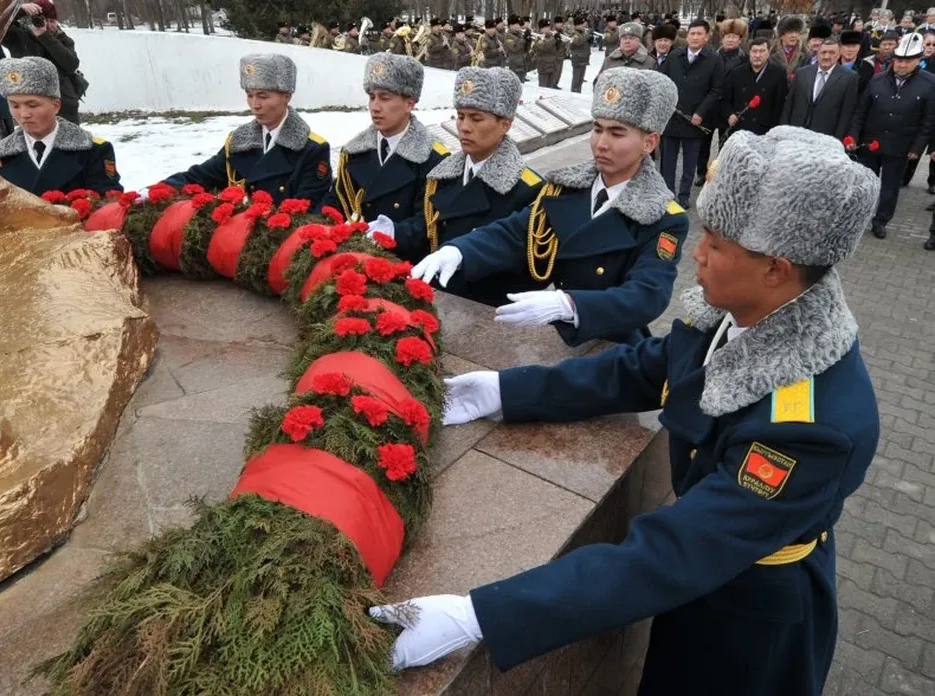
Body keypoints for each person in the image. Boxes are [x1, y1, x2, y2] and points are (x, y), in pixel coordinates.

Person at [372, 125, 881, 696]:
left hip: (750, 620)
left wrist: (480, 615)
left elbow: (674, 552)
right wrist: (499, 390)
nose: (699, 254)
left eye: (715, 242)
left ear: (776, 269)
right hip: (697, 584)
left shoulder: (810, 425)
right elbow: (635, 370)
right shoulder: (734, 315)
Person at [411, 68, 689, 347]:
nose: (601, 144)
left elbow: (647, 294)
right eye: (597, 129)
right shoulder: (564, 189)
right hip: (557, 338)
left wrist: (569, 305)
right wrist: (460, 250)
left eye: (617, 133)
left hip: (612, 344)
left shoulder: (662, 216)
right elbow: (514, 233)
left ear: (649, 142)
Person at [389, 67, 543, 304]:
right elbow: (427, 231)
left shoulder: (527, 188)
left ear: (505, 125)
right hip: (436, 298)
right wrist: (392, 232)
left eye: (476, 118)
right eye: (461, 116)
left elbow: (522, 267)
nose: (464, 127)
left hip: (481, 309)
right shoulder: (443, 175)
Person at [160, 55, 331, 205]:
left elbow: (307, 211)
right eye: (250, 95)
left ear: (287, 97)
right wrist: (155, 191)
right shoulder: (239, 141)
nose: (255, 105)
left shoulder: (311, 149)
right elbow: (201, 177)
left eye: (263, 96)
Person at [321, 54, 448, 240]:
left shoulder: (432, 158)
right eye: (372, 97)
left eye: (385, 98)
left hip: (400, 261)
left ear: (409, 104)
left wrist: (393, 233)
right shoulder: (354, 152)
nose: (375, 107)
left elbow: (428, 225)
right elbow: (336, 203)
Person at [0, 56, 121, 196]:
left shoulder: (93, 151)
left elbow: (108, 202)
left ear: (56, 106)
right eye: (14, 105)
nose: (23, 114)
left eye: (32, 105)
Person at [847, 33, 935, 239]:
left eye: (908, 61)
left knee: (890, 186)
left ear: (918, 61)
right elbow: (861, 112)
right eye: (899, 60)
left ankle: (881, 220)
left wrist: (917, 147)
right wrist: (853, 135)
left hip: (900, 145)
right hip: (871, 142)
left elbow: (928, 120)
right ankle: (857, 216)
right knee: (865, 182)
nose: (902, 65)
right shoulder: (877, 80)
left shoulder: (930, 84)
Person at [658, 19, 723, 209]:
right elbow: (664, 82)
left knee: (689, 162)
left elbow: (716, 90)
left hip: (695, 121)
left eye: (699, 34)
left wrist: (700, 112)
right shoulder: (674, 56)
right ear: (687, 36)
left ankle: (684, 196)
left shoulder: (713, 60)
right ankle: (667, 193)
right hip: (672, 118)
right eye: (692, 33)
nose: (695, 37)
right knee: (667, 162)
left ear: (707, 36)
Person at [3, 1, 83, 124]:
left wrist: (44, 36)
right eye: (44, 20)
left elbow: (71, 64)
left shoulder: (63, 39)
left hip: (64, 106)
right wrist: (20, 10)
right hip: (31, 107)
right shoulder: (19, 37)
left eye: (52, 21)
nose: (49, 25)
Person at [696, 18, 747, 185]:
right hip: (710, 106)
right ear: (722, 38)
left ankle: (721, 173)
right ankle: (701, 172)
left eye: (735, 36)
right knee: (703, 142)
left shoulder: (744, 59)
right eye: (728, 36)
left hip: (729, 107)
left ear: (740, 39)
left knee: (725, 143)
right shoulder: (712, 56)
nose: (731, 40)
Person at [781, 39, 859, 142]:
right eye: (823, 52)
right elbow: (789, 105)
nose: (826, 56)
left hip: (825, 138)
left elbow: (846, 113)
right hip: (795, 134)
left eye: (831, 53)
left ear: (839, 54)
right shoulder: (802, 73)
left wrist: (837, 141)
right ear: (817, 54)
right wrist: (783, 131)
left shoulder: (849, 78)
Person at [720, 37, 789, 137]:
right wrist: (729, 114)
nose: (757, 55)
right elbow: (724, 100)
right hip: (740, 128)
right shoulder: (736, 73)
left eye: (762, 51)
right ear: (749, 53)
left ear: (768, 53)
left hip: (765, 131)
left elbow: (780, 105)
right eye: (754, 51)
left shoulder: (778, 74)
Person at [903, 30, 935, 191]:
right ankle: (903, 176)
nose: (930, 48)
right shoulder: (911, 60)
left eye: (934, 45)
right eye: (927, 44)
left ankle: (931, 181)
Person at [769, 15, 808, 80]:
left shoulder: (805, 55)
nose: (794, 35)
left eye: (797, 32)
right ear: (781, 35)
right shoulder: (771, 55)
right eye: (790, 32)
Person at [569, 14, 593, 92]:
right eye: (582, 25)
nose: (584, 26)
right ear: (577, 26)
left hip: (584, 58)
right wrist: (587, 36)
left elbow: (585, 44)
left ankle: (578, 91)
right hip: (577, 58)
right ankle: (574, 92)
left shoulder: (583, 33)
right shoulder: (574, 33)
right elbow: (577, 42)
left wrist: (590, 40)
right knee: (576, 79)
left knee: (580, 79)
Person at [533, 19, 558, 87]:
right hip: (543, 66)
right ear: (541, 29)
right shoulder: (538, 37)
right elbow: (544, 47)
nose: (548, 29)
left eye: (549, 27)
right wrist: (554, 39)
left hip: (552, 66)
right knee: (543, 88)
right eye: (546, 27)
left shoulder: (551, 37)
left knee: (550, 88)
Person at [504, 15, 528, 80]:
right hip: (513, 67)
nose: (518, 26)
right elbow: (514, 48)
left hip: (521, 66)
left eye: (519, 24)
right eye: (516, 24)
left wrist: (528, 41)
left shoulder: (520, 35)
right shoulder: (508, 36)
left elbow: (525, 50)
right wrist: (524, 40)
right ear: (510, 25)